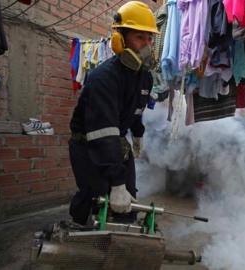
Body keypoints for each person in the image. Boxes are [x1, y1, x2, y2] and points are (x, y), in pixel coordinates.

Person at [68, 1, 159, 225]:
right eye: (140, 37)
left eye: (150, 38)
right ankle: (77, 228)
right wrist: (116, 184)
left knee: (127, 200)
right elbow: (102, 132)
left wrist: (137, 134)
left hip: (115, 142)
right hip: (88, 145)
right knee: (95, 195)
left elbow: (136, 110)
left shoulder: (144, 76)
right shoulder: (103, 78)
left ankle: (121, 239)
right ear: (120, 39)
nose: (146, 45)